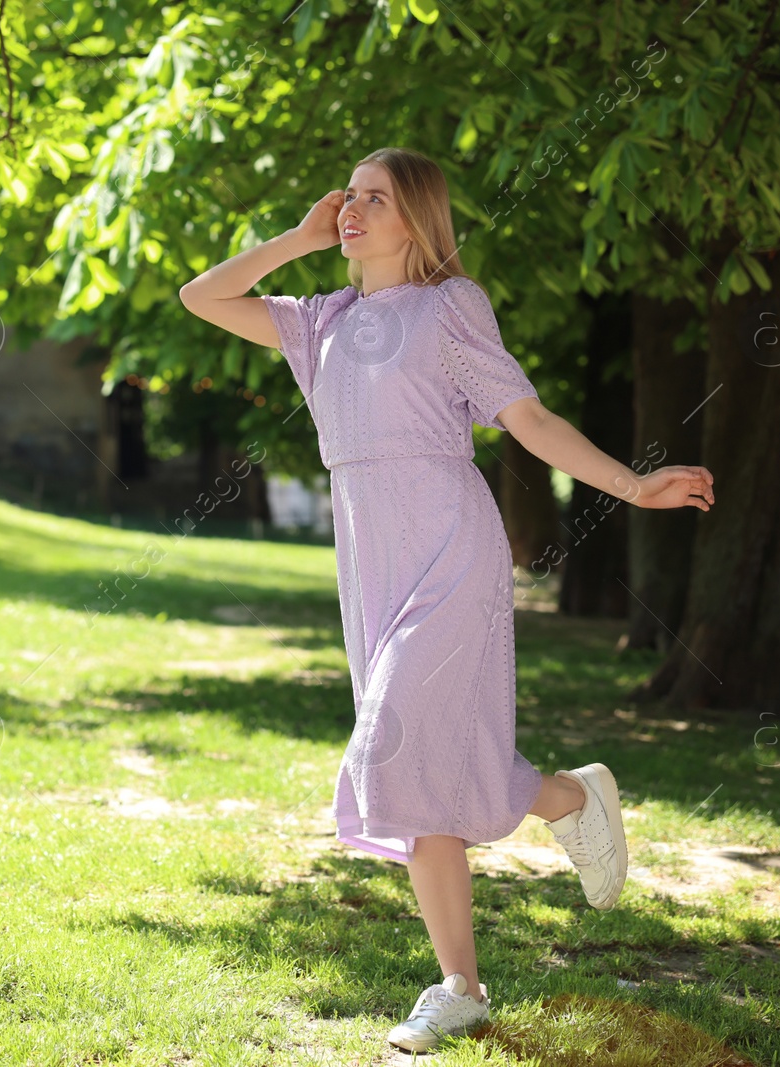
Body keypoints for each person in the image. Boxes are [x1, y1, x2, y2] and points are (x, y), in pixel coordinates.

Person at [178, 147, 715, 1051]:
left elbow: (529, 420)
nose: (352, 208)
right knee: (420, 775)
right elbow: (203, 296)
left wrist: (630, 486)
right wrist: (297, 239)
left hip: (450, 547)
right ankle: (472, 963)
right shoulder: (322, 322)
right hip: (370, 558)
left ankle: (561, 809)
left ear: (418, 220)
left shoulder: (449, 307)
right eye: (348, 195)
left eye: (374, 198)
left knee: (391, 736)